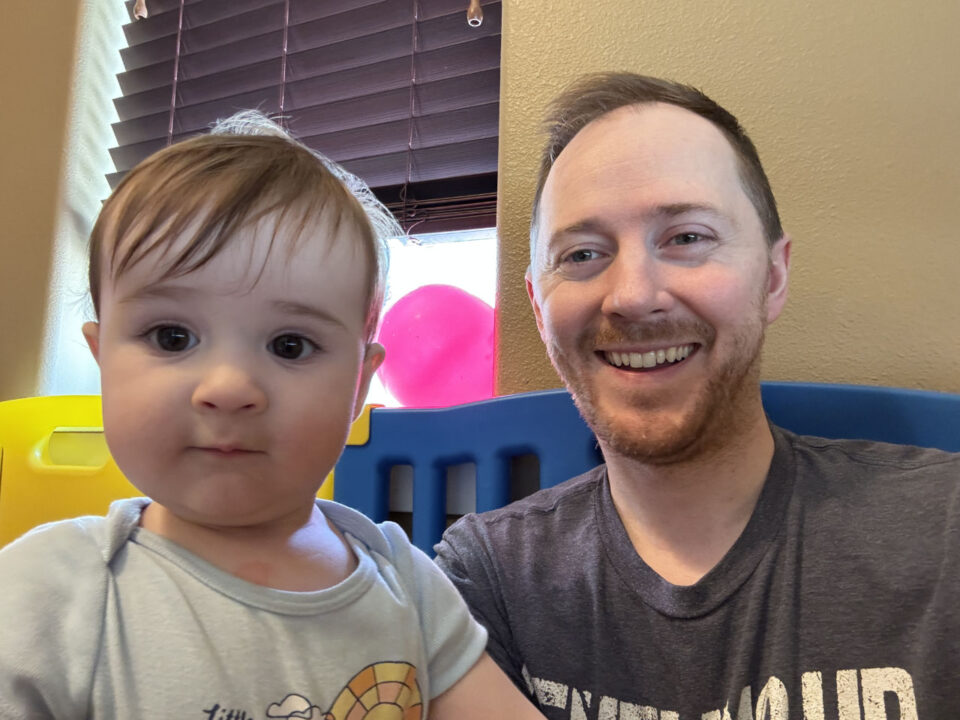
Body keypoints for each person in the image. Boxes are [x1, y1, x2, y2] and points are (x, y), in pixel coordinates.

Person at [435, 73, 960, 719]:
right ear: (540, 311)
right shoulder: (486, 580)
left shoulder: (946, 528)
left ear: (773, 276)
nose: (633, 296)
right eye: (581, 254)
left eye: (686, 238)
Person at [0, 113, 547, 720]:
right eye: (172, 336)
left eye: (290, 345)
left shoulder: (409, 589)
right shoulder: (45, 594)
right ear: (102, 358)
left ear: (359, 385)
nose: (229, 388)